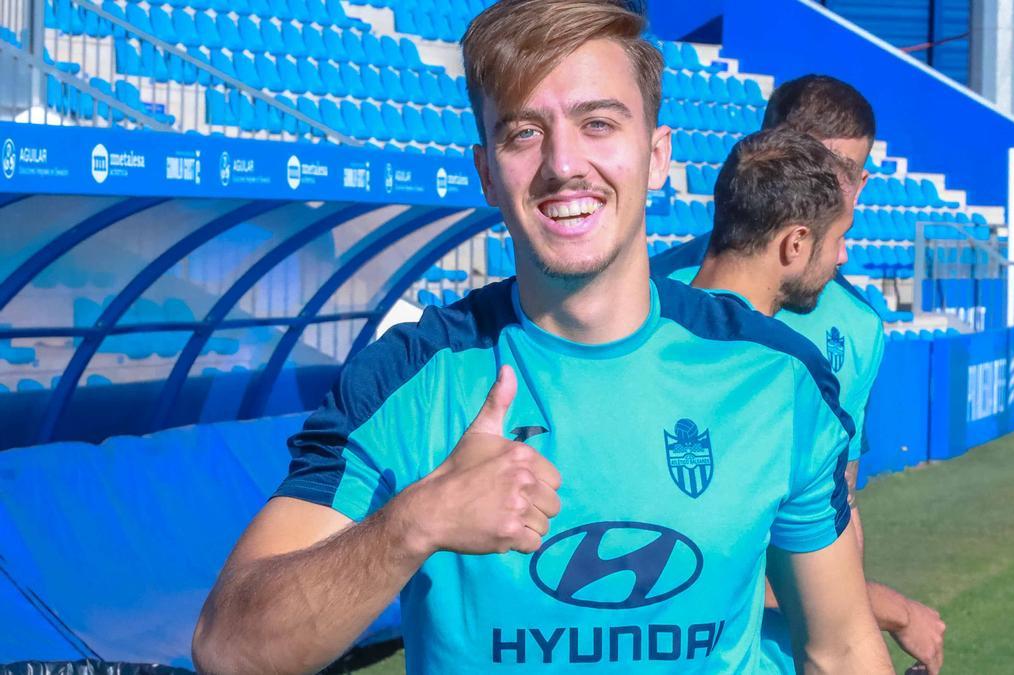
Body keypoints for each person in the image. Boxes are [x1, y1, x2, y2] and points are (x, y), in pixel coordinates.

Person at [191, 2, 891, 673]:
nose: (563, 164)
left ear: (658, 155)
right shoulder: (409, 377)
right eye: (524, 132)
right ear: (487, 174)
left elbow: (839, 650)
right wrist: (413, 522)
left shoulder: (777, 376)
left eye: (598, 123)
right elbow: (228, 644)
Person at [651, 74, 946, 674]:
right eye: (816, 164)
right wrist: (892, 610)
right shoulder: (646, 304)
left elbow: (835, 505)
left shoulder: (859, 326)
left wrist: (851, 628)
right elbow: (680, 538)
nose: (834, 187)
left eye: (848, 171)